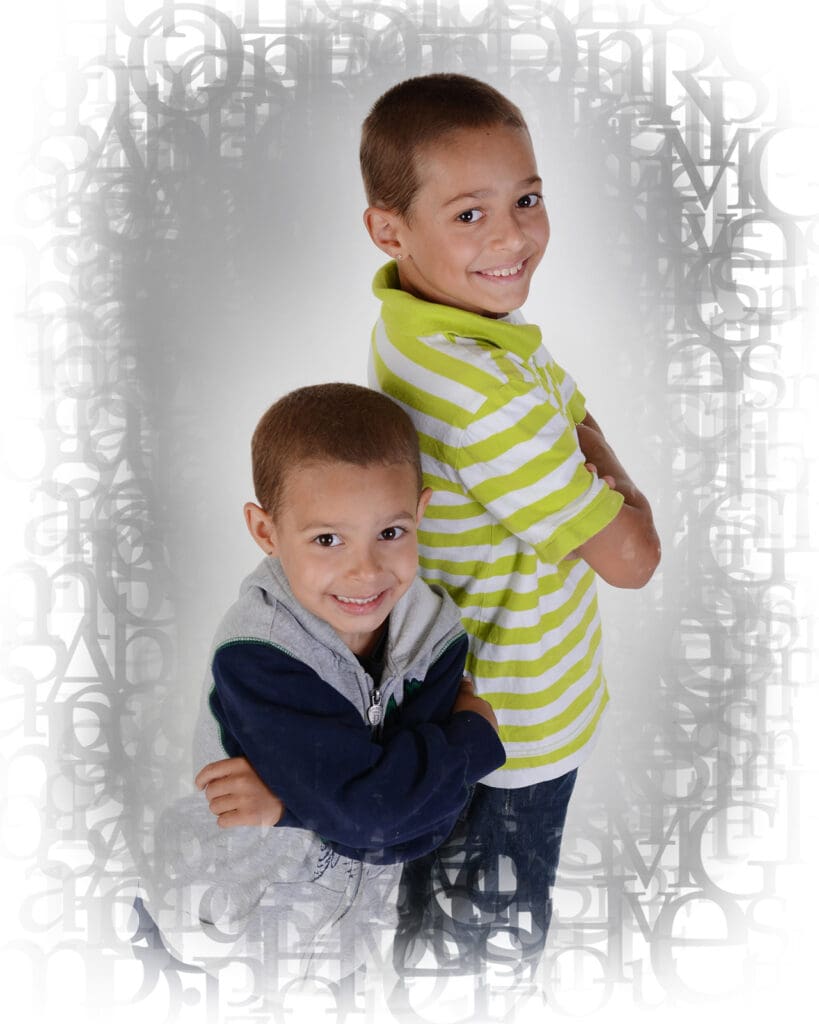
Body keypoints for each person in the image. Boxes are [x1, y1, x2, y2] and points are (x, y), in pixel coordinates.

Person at [357, 73, 661, 978]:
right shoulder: (486, 394)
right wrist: (623, 490)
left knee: (443, 914)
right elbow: (632, 558)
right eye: (469, 214)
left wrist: (578, 445)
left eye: (525, 198)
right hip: (506, 727)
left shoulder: (422, 324)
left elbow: (567, 410)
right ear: (388, 229)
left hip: (453, 703)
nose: (512, 236)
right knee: (484, 947)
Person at [140, 382, 505, 988]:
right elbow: (381, 817)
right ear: (266, 531)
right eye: (327, 540)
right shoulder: (259, 653)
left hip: (345, 937)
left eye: (390, 532)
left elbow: (425, 821)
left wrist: (303, 802)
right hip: (220, 932)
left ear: (421, 512)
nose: (365, 570)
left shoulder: (435, 636)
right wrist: (468, 742)